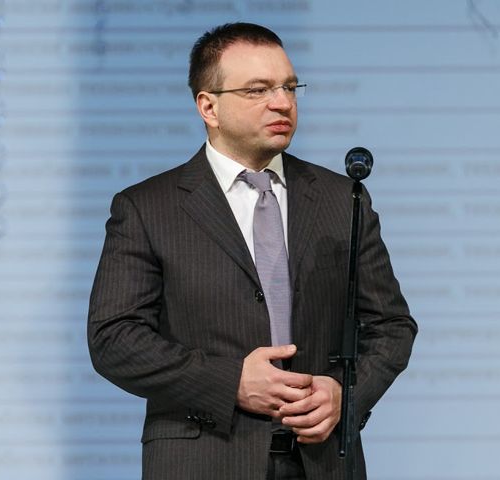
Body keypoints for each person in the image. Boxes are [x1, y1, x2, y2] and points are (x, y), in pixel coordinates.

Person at [87, 22, 417, 480]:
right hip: (204, 460)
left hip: (322, 462)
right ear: (209, 106)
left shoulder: (342, 199)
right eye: (258, 90)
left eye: (289, 87)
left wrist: (346, 394)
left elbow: (392, 326)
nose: (282, 102)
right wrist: (231, 381)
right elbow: (114, 340)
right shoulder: (147, 208)